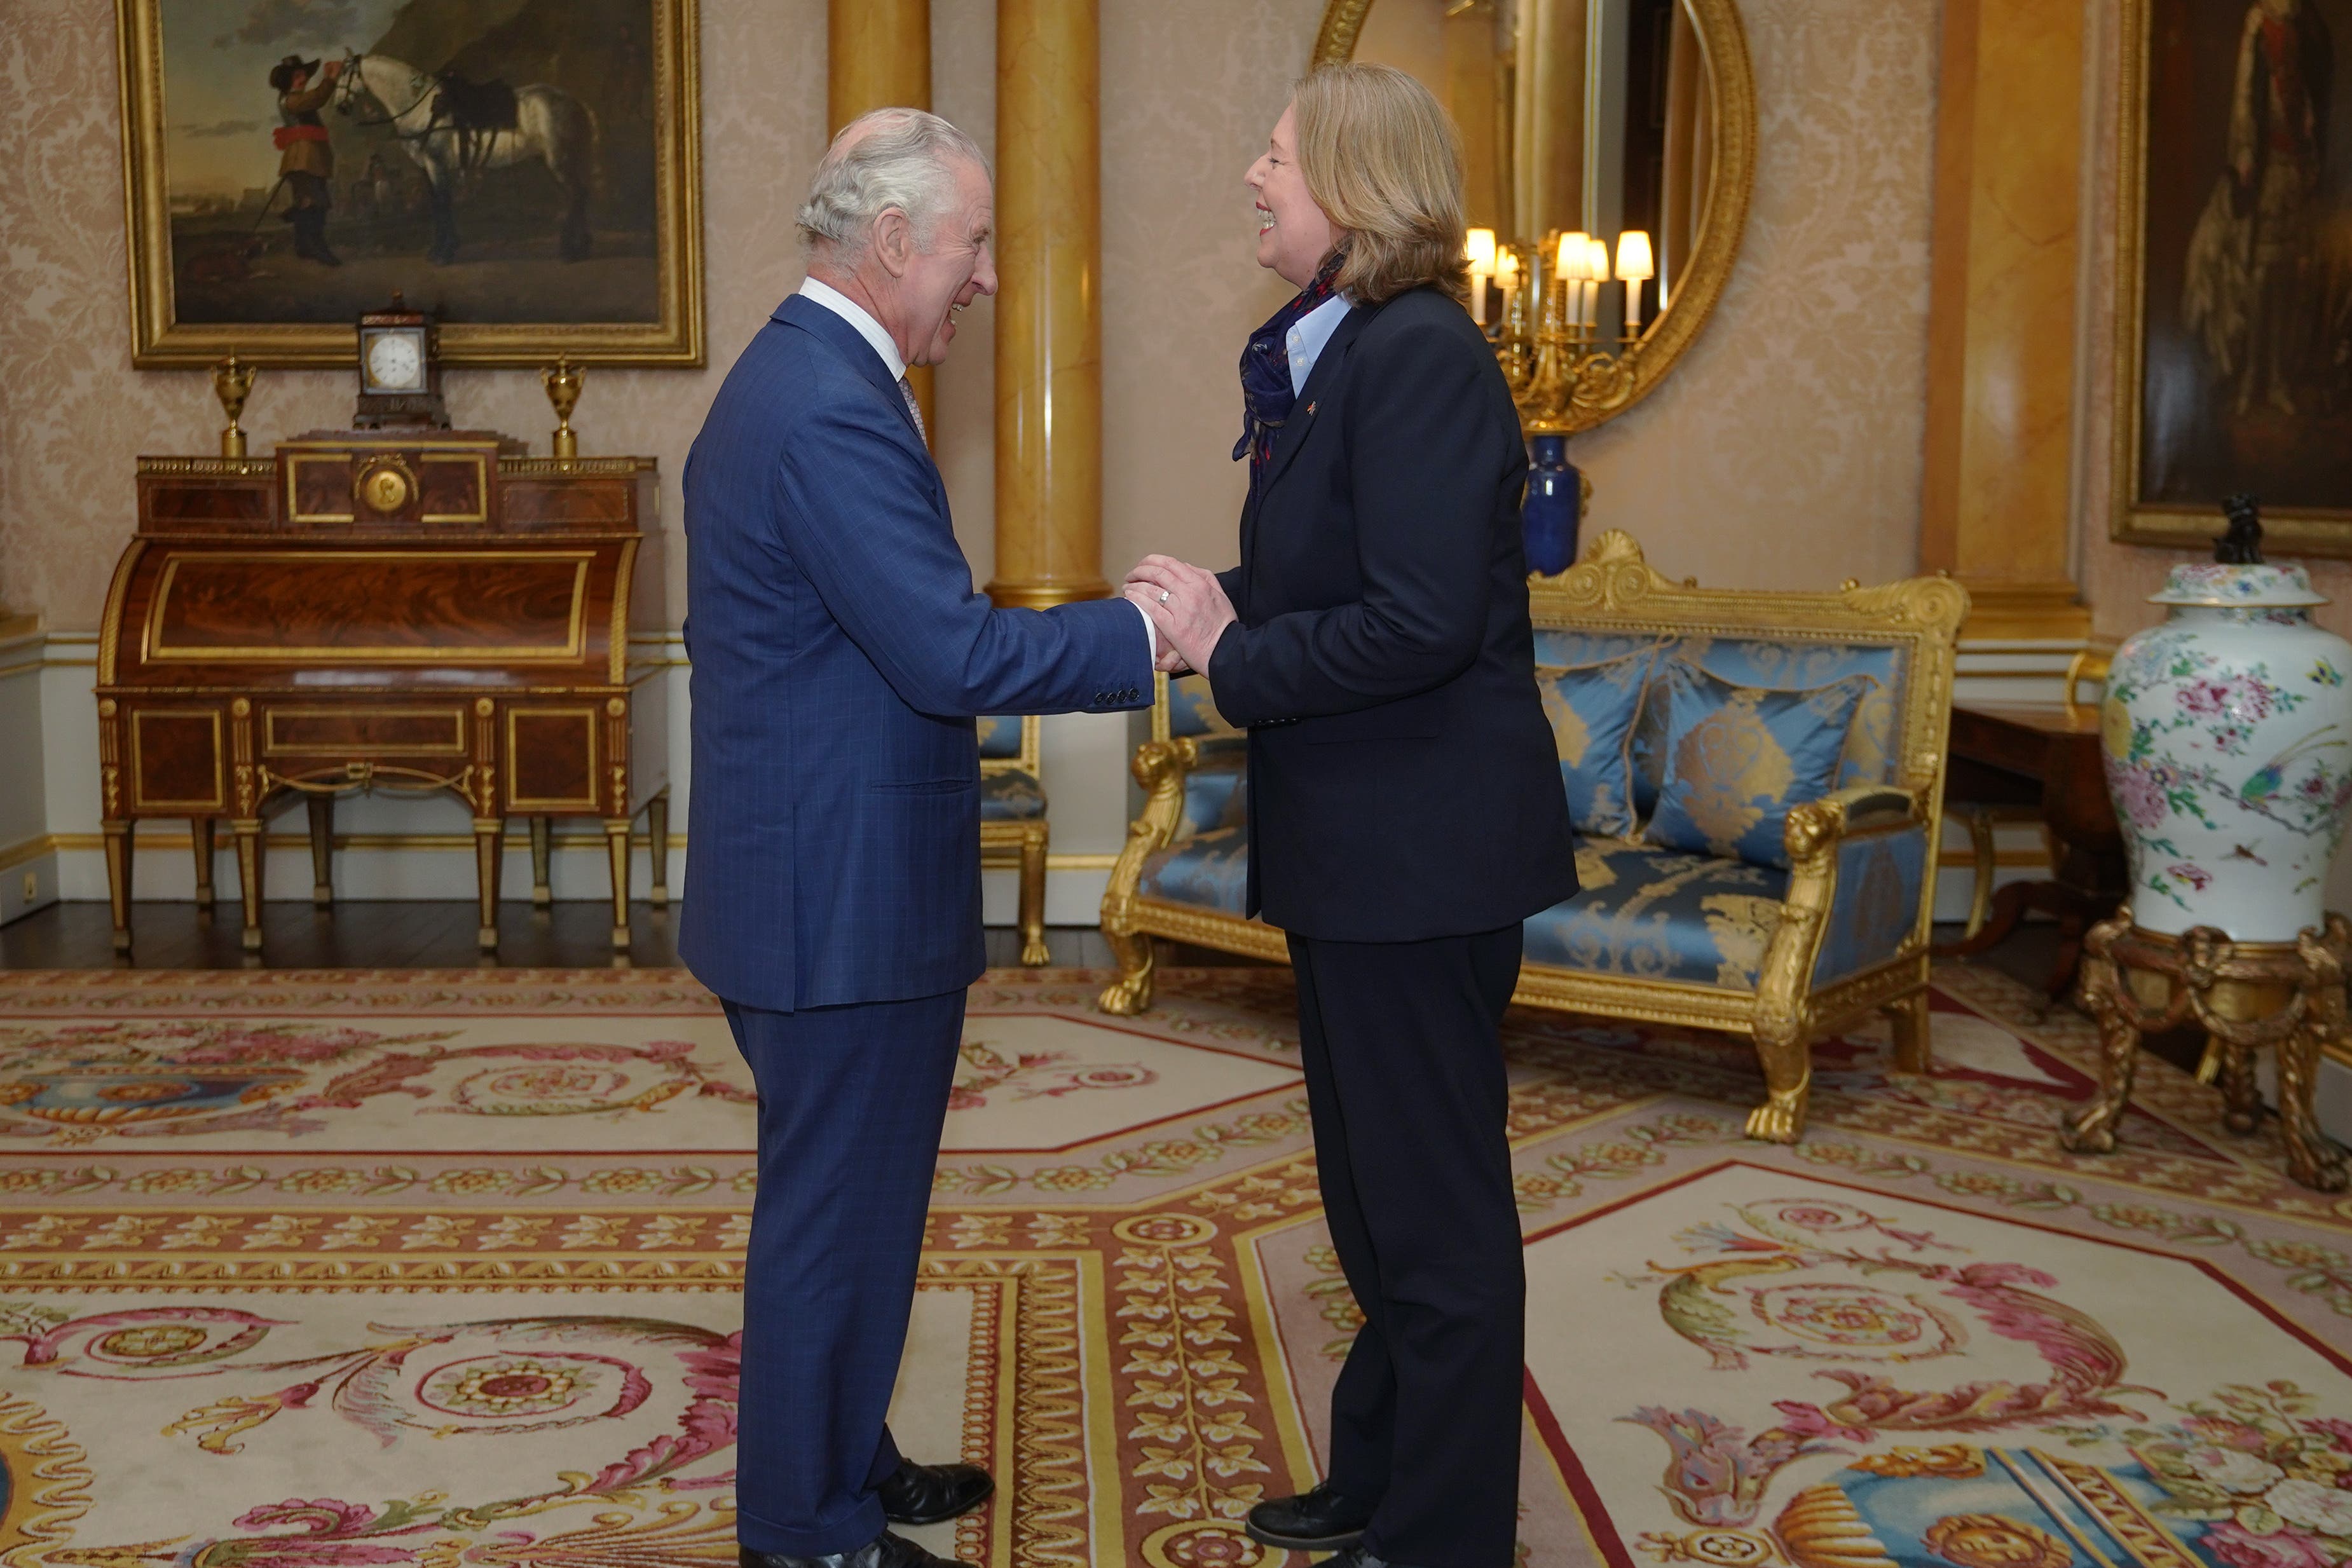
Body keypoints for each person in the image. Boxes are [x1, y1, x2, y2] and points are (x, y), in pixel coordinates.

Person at [681, 109, 1156, 1568]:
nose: (989, 275)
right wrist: (1145, 634)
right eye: (973, 243)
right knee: (835, 1220)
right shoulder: (825, 403)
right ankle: (803, 1529)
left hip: (815, 880)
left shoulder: (804, 374)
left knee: (849, 1200)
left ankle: (846, 1456)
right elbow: (950, 656)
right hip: (840, 906)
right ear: (892, 242)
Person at [1126, 64, 1578, 1568]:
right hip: (1360, 851)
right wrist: (1219, 602)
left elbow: (1422, 623)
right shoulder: (1350, 357)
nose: (1251, 176)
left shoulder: (1422, 356)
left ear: (1352, 185)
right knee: (1372, 1205)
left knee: (1432, 1219)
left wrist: (1230, 653)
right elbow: (1345, 580)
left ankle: (1446, 1535)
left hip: (1418, 852)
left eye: (1272, 156)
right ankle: (1378, 1473)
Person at [267, 55, 343, 266]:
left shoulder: (293, 98)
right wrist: (332, 78)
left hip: (307, 160)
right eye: (297, 76)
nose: (302, 79)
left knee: (307, 203)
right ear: (287, 81)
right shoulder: (292, 100)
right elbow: (318, 98)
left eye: (303, 75)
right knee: (316, 204)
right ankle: (317, 247)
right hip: (304, 160)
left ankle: (303, 246)